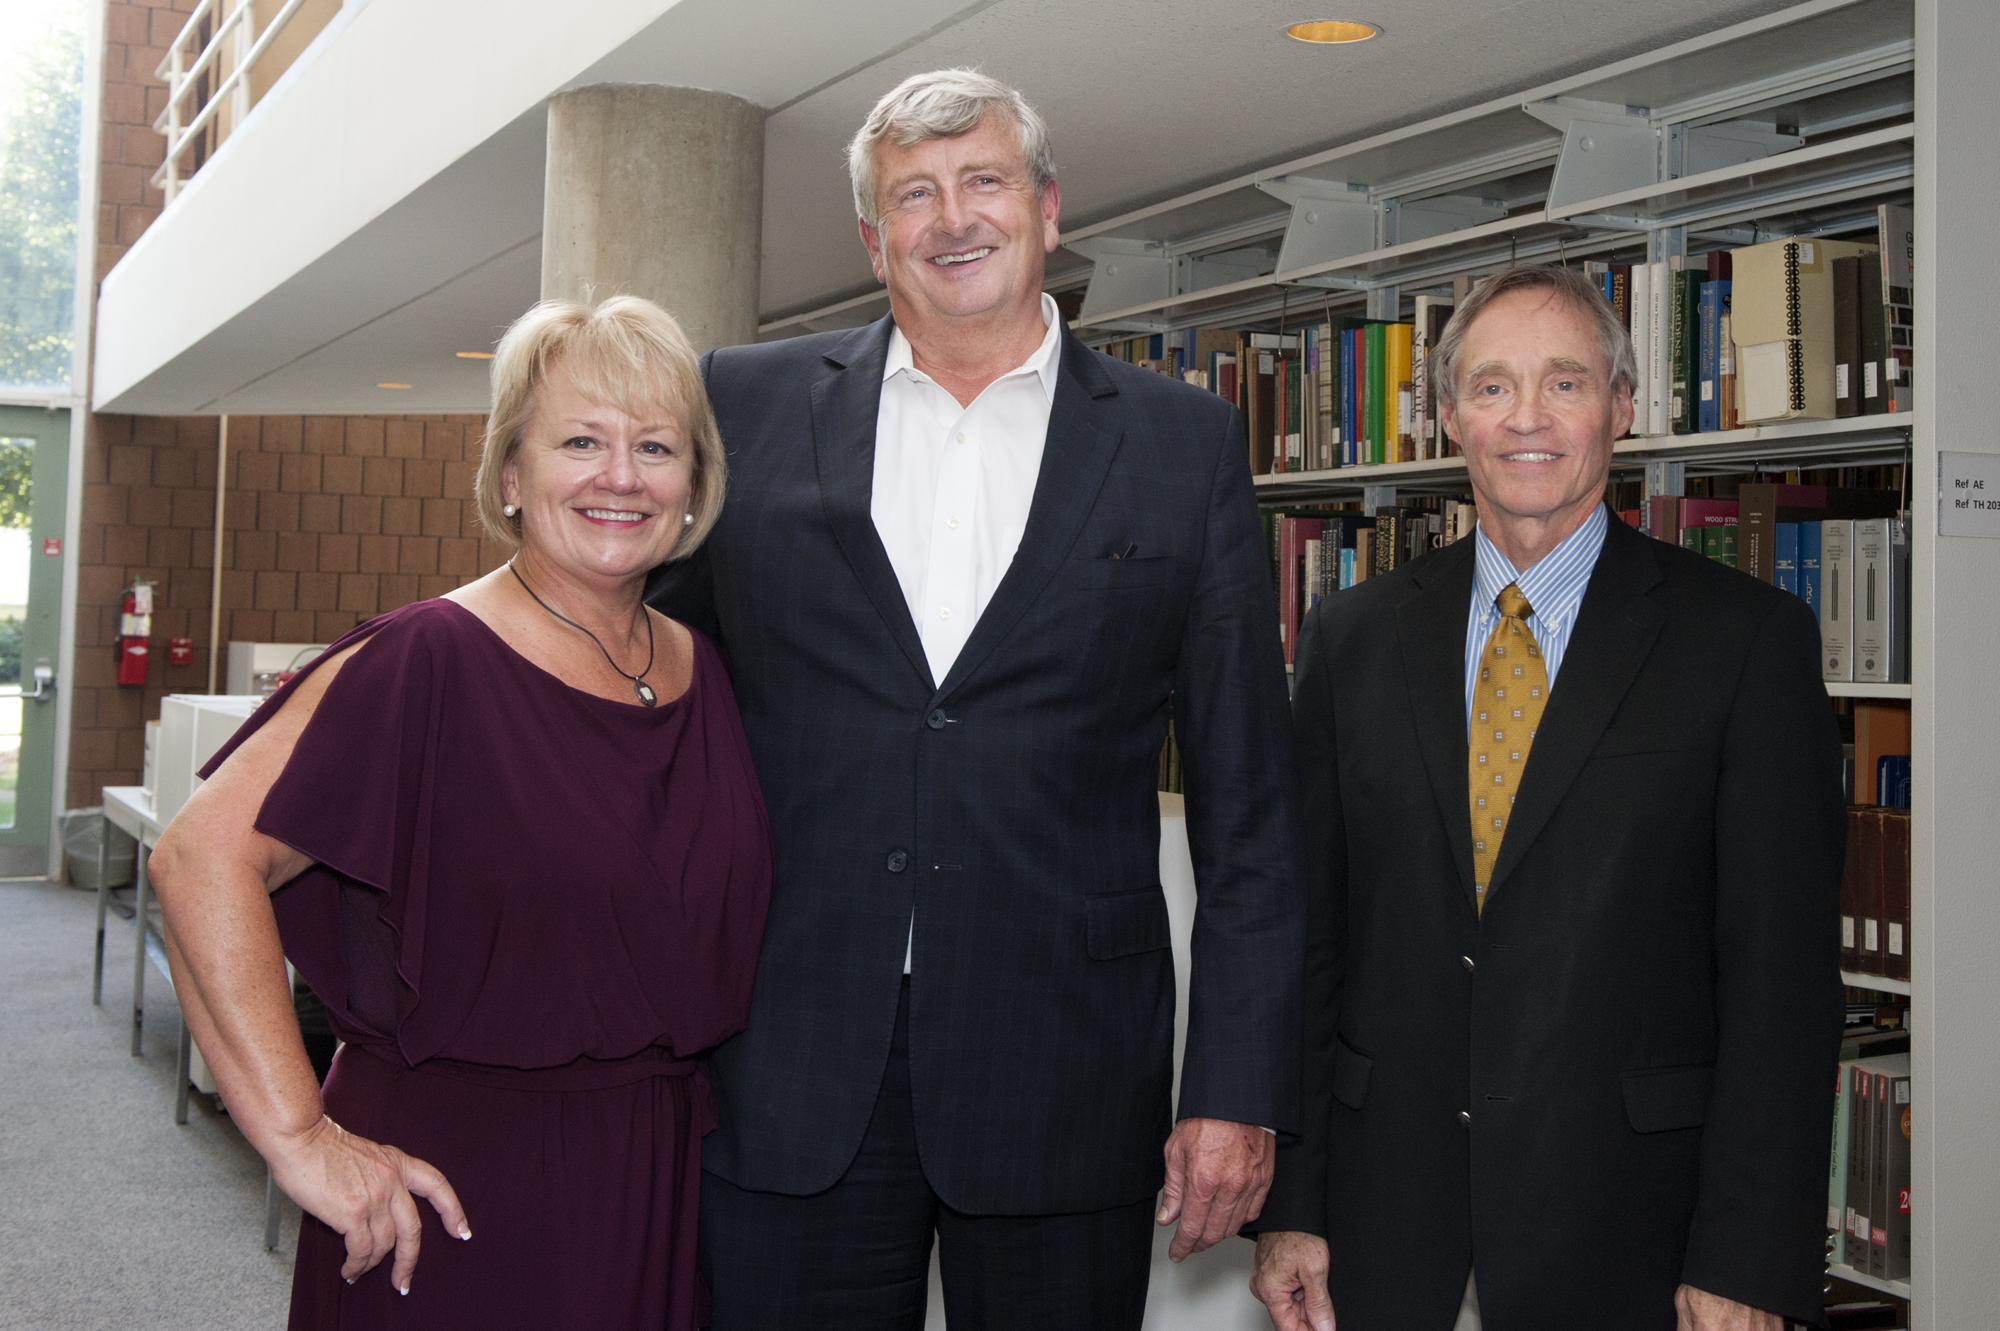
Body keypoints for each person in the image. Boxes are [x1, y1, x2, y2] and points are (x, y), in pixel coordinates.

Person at [648, 69, 1301, 1328]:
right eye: (914, 195)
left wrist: (1234, 1085)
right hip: (788, 1048)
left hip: (1063, 1064)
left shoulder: (1181, 444)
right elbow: (634, 664)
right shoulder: (744, 403)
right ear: (872, 237)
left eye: (984, 182)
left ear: (1047, 209)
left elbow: (1249, 805)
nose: (953, 219)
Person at [148, 296, 772, 1330]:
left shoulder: (704, 669)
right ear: (512, 476)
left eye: (654, 445)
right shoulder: (424, 658)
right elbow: (197, 858)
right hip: (454, 1190)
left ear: (694, 483)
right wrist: (299, 1135)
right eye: (581, 440)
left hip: (656, 1182)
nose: (621, 474)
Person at [1247, 263, 1846, 1331]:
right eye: (1489, 386)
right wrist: (1295, 1201)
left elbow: (1780, 981)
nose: (1525, 417)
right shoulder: (1351, 636)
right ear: (1445, 418)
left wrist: (1748, 1255)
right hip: (1385, 1229)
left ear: (1621, 408)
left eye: (1563, 382)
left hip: (1634, 1231)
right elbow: (1311, 946)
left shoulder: (1743, 641)